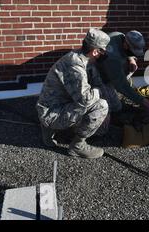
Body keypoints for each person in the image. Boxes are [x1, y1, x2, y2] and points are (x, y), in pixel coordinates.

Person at [36, 28, 111, 159]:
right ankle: (77, 146)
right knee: (101, 106)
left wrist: (114, 108)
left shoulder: (84, 58)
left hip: (56, 105)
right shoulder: (75, 65)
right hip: (52, 113)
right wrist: (100, 94)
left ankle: (49, 130)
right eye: (103, 51)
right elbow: (86, 99)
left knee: (100, 105)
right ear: (95, 51)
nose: (104, 54)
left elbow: (98, 82)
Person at [96, 30, 149, 123]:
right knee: (115, 108)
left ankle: (112, 88)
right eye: (132, 52)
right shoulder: (112, 57)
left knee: (129, 68)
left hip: (110, 69)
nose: (134, 54)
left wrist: (132, 59)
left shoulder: (120, 36)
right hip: (97, 78)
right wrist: (146, 103)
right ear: (126, 45)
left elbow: (125, 51)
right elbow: (122, 86)